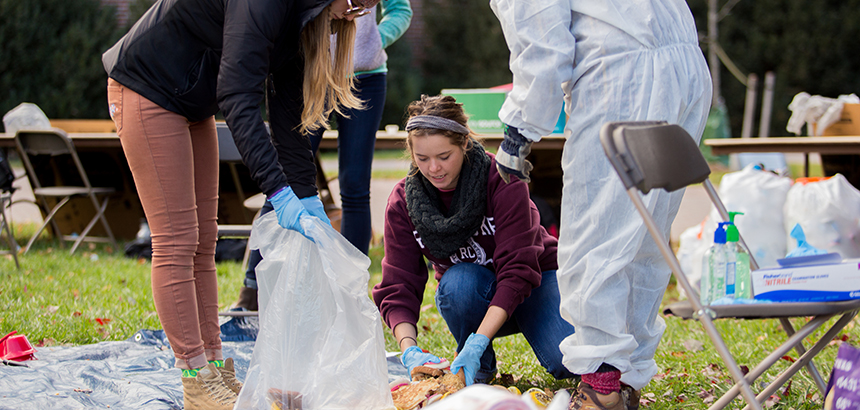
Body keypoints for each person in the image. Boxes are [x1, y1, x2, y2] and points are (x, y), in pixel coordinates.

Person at [102, 0, 377, 408]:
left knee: (204, 239)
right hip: (148, 84)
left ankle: (212, 365)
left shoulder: (302, 20)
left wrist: (307, 196)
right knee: (177, 240)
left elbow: (287, 120)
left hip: (193, 99)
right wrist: (278, 194)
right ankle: (194, 377)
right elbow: (236, 93)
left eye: (367, 8)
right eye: (355, 2)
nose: (354, 13)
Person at [488, 0, 713, 408]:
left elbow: (542, 43)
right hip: (685, 66)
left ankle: (601, 387)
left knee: (594, 235)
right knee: (646, 237)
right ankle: (626, 378)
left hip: (623, 77)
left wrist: (519, 128)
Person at [372, 95, 576, 387]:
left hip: (536, 282)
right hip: (473, 293)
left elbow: (519, 268)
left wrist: (478, 340)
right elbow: (398, 283)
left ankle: (486, 344)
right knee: (458, 283)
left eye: (444, 157)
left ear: (464, 143)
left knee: (566, 360)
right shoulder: (404, 201)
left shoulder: (503, 178)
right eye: (422, 158)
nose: (433, 169)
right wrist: (409, 350)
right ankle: (480, 367)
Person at [232, 0, 412, 312]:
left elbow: (401, 11)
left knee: (355, 185)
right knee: (284, 175)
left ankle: (349, 290)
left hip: (366, 78)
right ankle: (251, 290)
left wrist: (372, 41)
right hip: (312, 66)